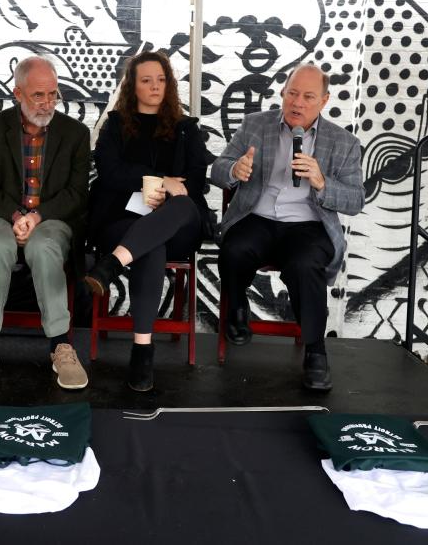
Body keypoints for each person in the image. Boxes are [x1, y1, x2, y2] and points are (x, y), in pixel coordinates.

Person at [210, 63, 364, 391]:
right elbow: (217, 168)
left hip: (308, 225)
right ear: (283, 93)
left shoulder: (344, 142)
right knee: (235, 246)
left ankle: (316, 352)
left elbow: (355, 200)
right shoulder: (255, 125)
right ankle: (237, 310)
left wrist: (322, 182)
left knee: (305, 263)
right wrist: (235, 169)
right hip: (257, 217)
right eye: (292, 93)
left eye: (308, 96)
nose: (297, 102)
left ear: (324, 101)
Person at [0, 55, 90, 389]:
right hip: (1, 216)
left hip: (52, 219)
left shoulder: (75, 133)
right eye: (38, 96)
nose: (47, 103)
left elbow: (76, 193)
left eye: (53, 94)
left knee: (44, 248)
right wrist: (17, 217)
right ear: (17, 93)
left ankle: (60, 345)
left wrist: (36, 216)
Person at [84, 51, 214, 392]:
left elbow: (198, 181)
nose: (155, 86)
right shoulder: (114, 126)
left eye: (161, 79)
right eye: (146, 80)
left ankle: (112, 264)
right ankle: (143, 350)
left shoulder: (186, 129)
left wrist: (172, 191)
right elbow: (109, 173)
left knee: (185, 205)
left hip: (177, 225)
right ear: (133, 86)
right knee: (149, 245)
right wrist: (155, 180)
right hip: (123, 219)